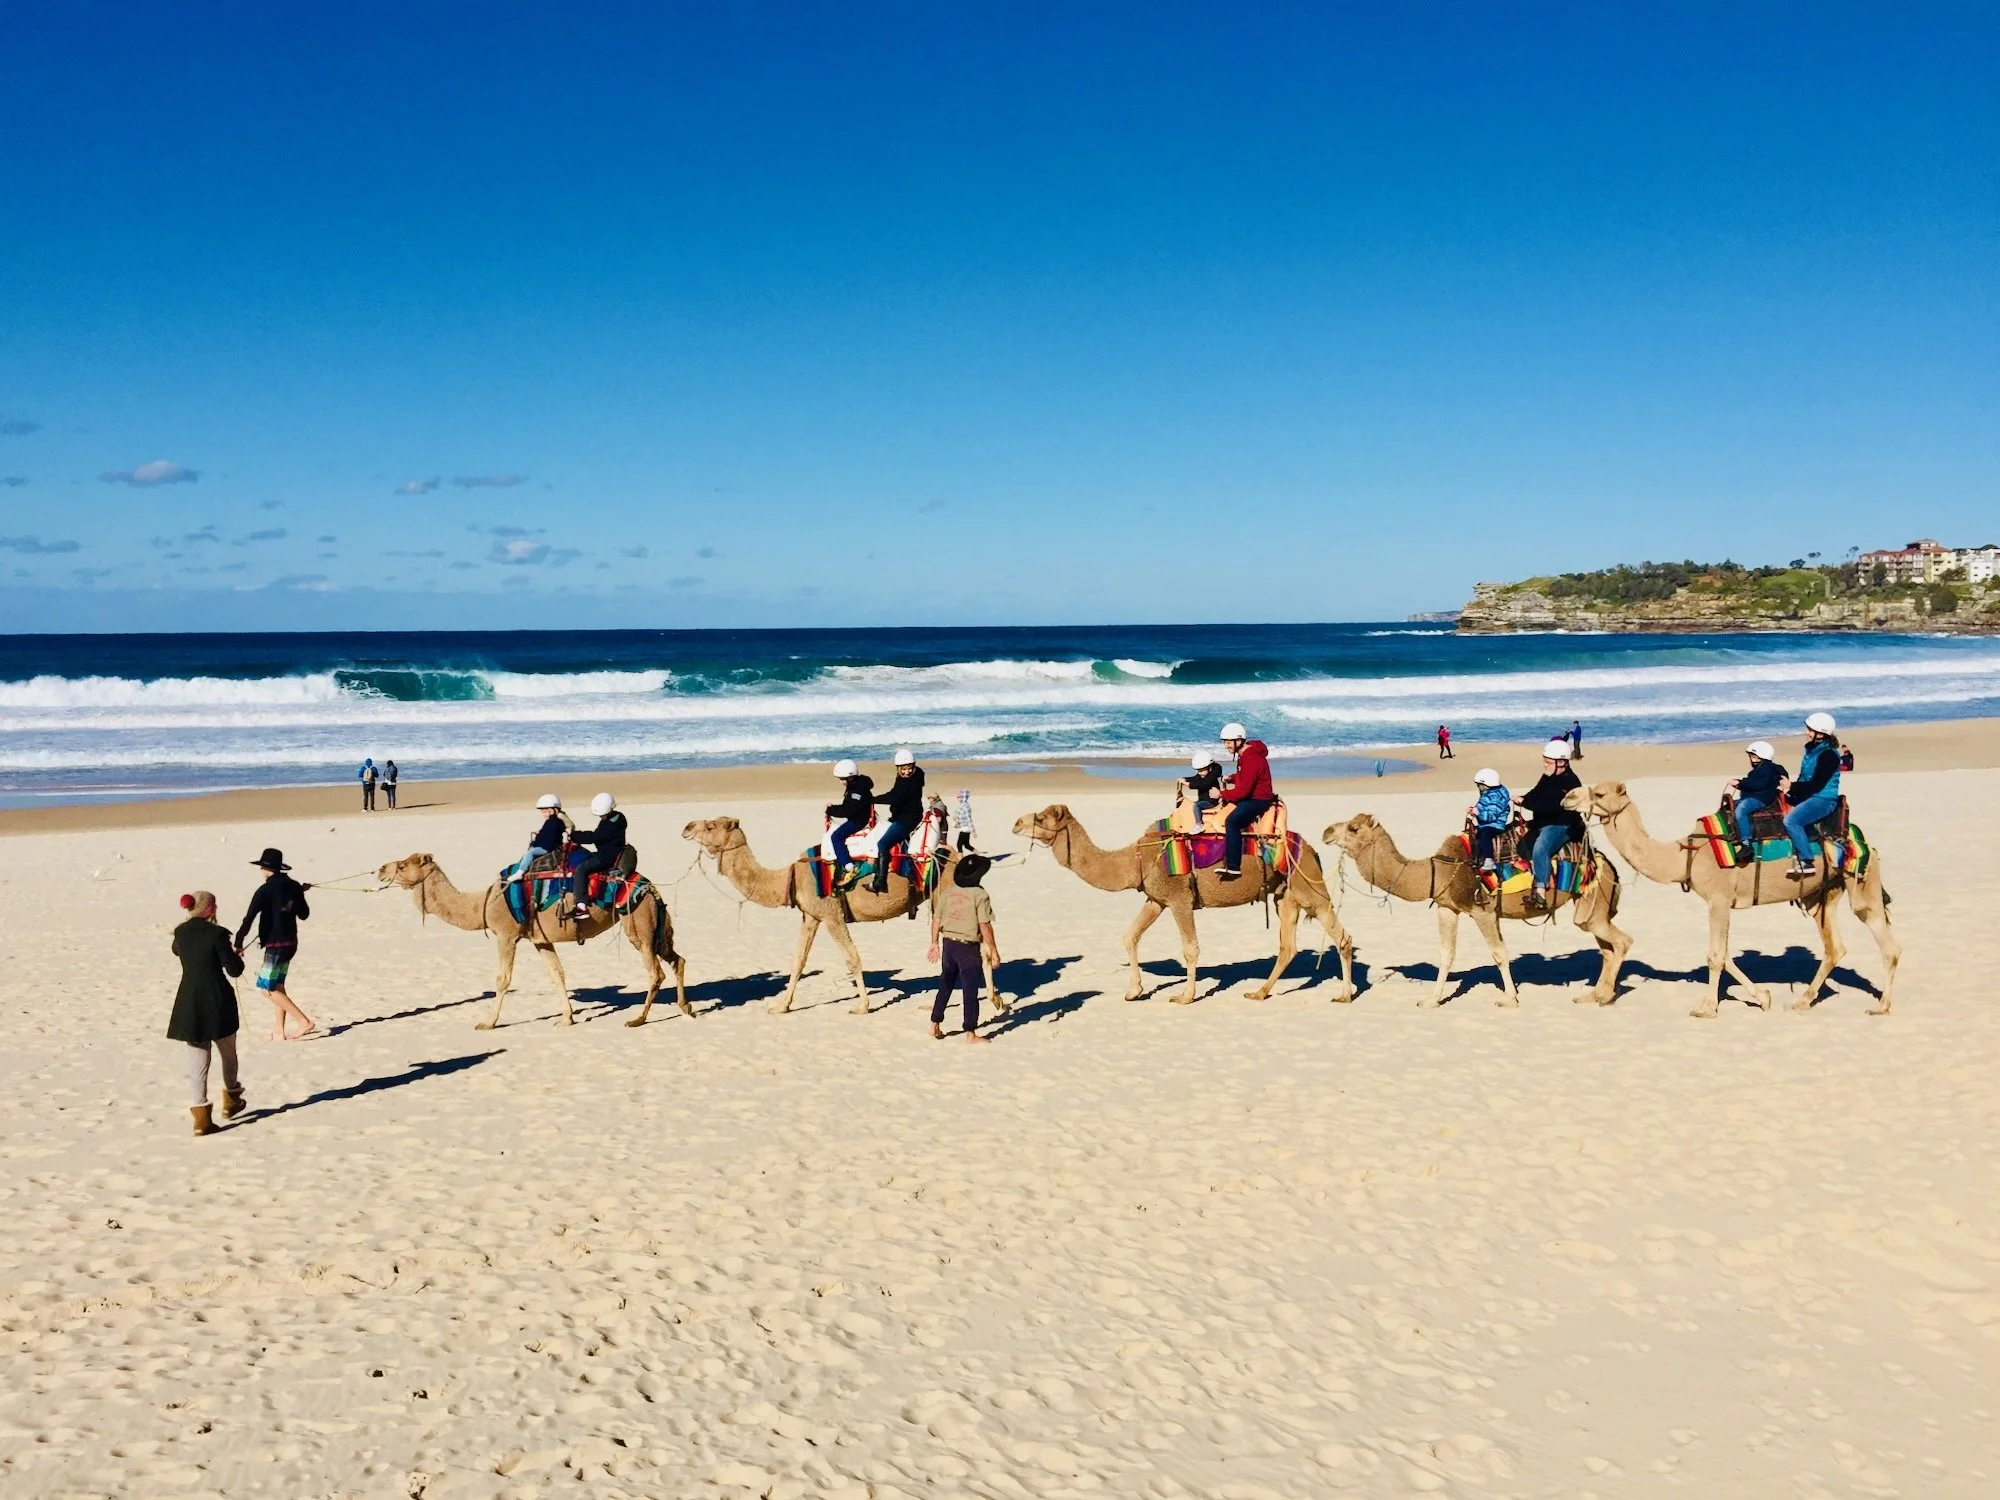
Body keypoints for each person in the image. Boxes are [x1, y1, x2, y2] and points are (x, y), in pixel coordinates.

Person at [169, 891, 245, 1136]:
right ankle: (232, 1096)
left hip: (190, 1001)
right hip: (217, 1000)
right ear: (210, 909)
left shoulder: (180, 932)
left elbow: (177, 951)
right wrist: (234, 955)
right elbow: (234, 970)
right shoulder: (218, 934)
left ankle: (201, 1117)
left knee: (197, 1061)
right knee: (228, 1052)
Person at [234, 848, 316, 1040]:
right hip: (290, 943)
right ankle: (279, 1030)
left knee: (266, 987)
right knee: (277, 985)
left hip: (276, 945)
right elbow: (303, 914)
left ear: (264, 868)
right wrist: (298, 894)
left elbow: (249, 917)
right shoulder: (294, 886)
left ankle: (303, 1021)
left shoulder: (264, 890)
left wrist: (238, 942)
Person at [927, 854, 997, 1043]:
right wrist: (994, 949)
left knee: (945, 985)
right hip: (968, 947)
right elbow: (984, 924)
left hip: (948, 944)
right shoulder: (980, 895)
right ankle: (970, 1033)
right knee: (970, 990)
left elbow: (936, 919)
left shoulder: (948, 892)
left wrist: (934, 943)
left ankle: (935, 1023)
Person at [1517, 740, 1585, 908]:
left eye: (1548, 762)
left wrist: (1525, 803)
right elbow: (1536, 793)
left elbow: (1551, 807)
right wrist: (1523, 799)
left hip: (1562, 824)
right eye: (1544, 761)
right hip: (1545, 820)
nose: (1545, 765)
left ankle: (1541, 890)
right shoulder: (1549, 776)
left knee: (1541, 847)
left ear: (1561, 763)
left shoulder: (1570, 783)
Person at [1784, 712, 1844, 879]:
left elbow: (1816, 784)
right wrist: (1791, 792)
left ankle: (1806, 861)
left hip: (1823, 799)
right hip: (1811, 795)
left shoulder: (1829, 755)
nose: (1806, 732)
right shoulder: (1812, 750)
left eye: (1810, 730)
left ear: (1821, 733)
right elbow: (1805, 778)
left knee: (1791, 821)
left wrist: (1792, 786)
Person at [1216, 722, 1275, 880]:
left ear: (1238, 741)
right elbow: (1247, 777)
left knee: (1232, 822)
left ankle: (1234, 867)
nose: (1226, 746)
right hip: (1253, 796)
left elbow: (1243, 791)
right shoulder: (1246, 755)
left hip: (1258, 800)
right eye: (1225, 742)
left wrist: (1221, 794)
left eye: (1228, 742)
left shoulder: (1250, 758)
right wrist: (1232, 778)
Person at [869, 749, 925, 893]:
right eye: (903, 769)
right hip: (902, 816)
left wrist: (872, 799)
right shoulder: (903, 779)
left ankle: (880, 881)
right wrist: (874, 799)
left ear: (914, 766)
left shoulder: (913, 781)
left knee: (882, 843)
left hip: (908, 818)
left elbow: (895, 797)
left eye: (909, 769)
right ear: (898, 769)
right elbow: (894, 793)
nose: (907, 772)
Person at [567, 792, 627, 921]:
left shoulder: (609, 826)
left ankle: (581, 906)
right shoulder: (618, 817)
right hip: (612, 853)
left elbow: (594, 837)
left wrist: (573, 836)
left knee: (580, 869)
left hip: (606, 857)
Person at [1727, 740, 1787, 849]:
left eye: (1753, 756)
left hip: (1760, 798)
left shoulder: (1766, 770)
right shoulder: (1764, 769)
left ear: (1760, 757)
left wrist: (1740, 782)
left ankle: (1746, 843)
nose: (1751, 759)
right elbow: (1753, 784)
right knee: (1731, 807)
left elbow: (1759, 784)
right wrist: (1740, 785)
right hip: (1756, 796)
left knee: (1741, 810)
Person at [826, 759, 875, 873]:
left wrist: (830, 809)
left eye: (843, 779)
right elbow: (848, 807)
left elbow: (847, 811)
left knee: (836, 837)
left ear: (850, 777)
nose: (841, 782)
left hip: (858, 820)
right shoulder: (859, 786)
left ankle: (848, 865)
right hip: (859, 817)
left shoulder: (856, 791)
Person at [1469, 768, 1512, 871]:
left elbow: (1492, 815)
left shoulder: (1497, 796)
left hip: (1495, 824)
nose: (1478, 787)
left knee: (1485, 835)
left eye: (1479, 784)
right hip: (1486, 823)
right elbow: (1483, 806)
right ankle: (1477, 859)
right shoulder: (1488, 794)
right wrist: (1473, 810)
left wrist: (1478, 813)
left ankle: (1489, 860)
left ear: (1486, 784)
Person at [525, 792, 571, 864]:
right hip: (549, 845)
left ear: (551, 811)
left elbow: (569, 827)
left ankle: (521, 871)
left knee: (530, 853)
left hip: (549, 847)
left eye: (545, 811)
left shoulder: (557, 819)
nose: (543, 814)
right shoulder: (553, 820)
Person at [1183, 753, 1223, 820]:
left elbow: (1203, 784)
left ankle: (1199, 824)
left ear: (1209, 768)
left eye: (1201, 770)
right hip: (1203, 800)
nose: (1199, 773)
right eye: (1198, 770)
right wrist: (1185, 779)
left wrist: (1189, 784)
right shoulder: (1202, 774)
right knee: (1190, 805)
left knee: (1197, 805)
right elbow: (1195, 778)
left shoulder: (1211, 777)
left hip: (1211, 802)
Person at [953, 788, 977, 853]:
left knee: (959, 845)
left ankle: (961, 860)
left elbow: (969, 819)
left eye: (959, 797)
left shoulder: (966, 806)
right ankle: (980, 855)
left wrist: (973, 831)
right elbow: (958, 816)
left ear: (963, 797)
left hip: (966, 828)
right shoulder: (962, 806)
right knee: (966, 845)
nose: (957, 798)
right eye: (957, 797)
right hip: (963, 827)